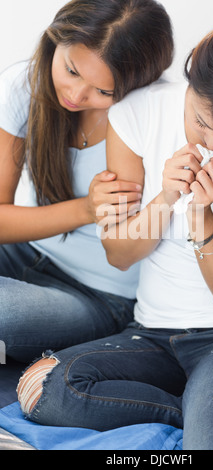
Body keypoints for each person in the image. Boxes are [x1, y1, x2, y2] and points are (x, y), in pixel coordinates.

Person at [17, 17, 213, 450]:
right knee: (44, 387)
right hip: (152, 332)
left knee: (212, 446)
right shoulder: (138, 112)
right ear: (188, 86)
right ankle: (202, 411)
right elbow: (120, 254)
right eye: (202, 122)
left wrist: (201, 218)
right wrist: (166, 197)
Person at [0, 0, 174, 363]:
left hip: (98, 295)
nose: (75, 96)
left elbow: (121, 257)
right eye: (71, 70)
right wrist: (87, 208)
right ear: (55, 41)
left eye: (103, 92)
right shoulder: (24, 84)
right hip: (26, 253)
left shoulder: (146, 117)